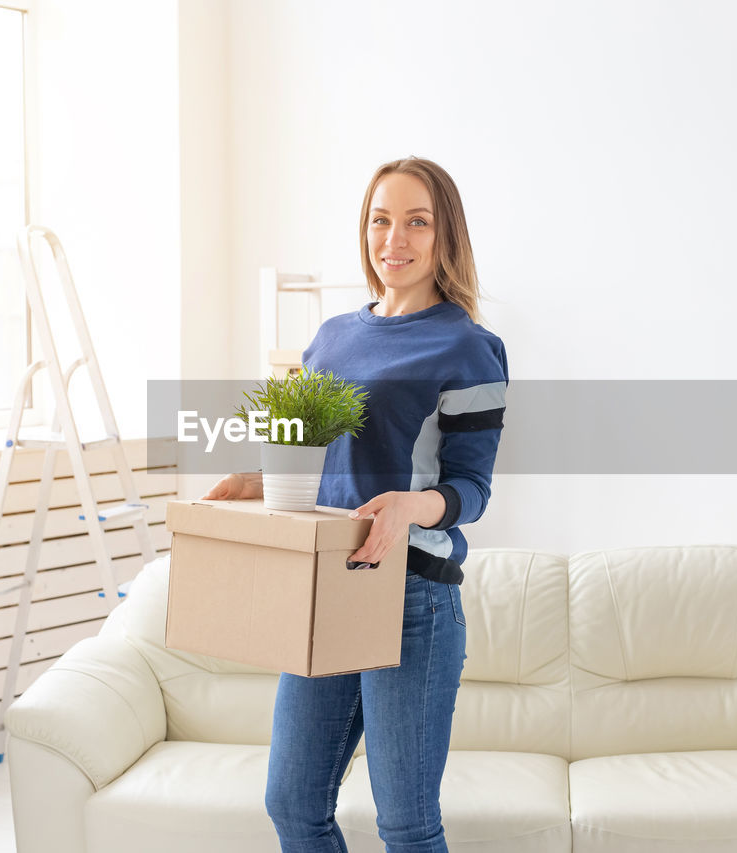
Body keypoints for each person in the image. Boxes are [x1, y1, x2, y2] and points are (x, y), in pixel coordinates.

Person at [203, 156, 508, 853]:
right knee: (292, 803)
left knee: (404, 822)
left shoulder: (469, 347)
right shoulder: (331, 338)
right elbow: (312, 458)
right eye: (380, 220)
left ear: (444, 235)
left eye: (416, 221)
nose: (393, 238)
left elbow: (472, 490)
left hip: (413, 598)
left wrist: (410, 504)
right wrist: (256, 481)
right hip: (324, 587)